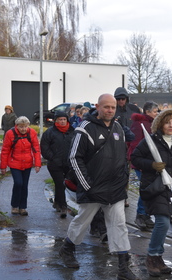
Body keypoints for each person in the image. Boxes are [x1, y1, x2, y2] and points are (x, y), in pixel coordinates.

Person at [59, 94, 138, 280]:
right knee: (83, 221)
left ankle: (123, 268)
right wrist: (87, 185)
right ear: (98, 107)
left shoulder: (119, 128)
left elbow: (122, 158)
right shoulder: (85, 128)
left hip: (116, 190)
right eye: (106, 107)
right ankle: (67, 248)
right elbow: (74, 158)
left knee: (119, 225)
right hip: (92, 188)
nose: (110, 110)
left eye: (112, 107)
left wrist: (123, 182)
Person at [131, 108, 172, 277]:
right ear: (160, 124)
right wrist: (151, 165)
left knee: (164, 223)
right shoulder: (151, 140)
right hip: (154, 185)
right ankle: (152, 256)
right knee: (163, 222)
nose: (171, 125)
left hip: (169, 186)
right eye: (167, 122)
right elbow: (135, 158)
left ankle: (157, 257)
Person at [0, 116, 41, 216]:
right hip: (15, 162)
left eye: (25, 126)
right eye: (21, 127)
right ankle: (14, 205)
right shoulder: (10, 134)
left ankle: (22, 207)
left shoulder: (32, 133)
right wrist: (3, 166)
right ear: (17, 126)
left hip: (27, 163)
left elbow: (36, 149)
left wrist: (38, 164)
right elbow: (5, 150)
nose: (23, 129)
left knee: (24, 185)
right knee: (18, 183)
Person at [128, 101, 159, 231]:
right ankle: (141, 214)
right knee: (146, 189)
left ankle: (145, 214)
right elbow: (135, 145)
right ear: (147, 112)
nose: (157, 114)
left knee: (150, 189)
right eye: (155, 111)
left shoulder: (152, 124)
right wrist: (138, 162)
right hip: (142, 163)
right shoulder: (140, 124)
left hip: (149, 163)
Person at [40, 111, 74, 218]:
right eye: (60, 119)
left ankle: (57, 202)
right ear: (56, 121)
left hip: (69, 163)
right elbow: (44, 147)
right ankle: (63, 207)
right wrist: (53, 158)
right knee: (60, 183)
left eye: (64, 119)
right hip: (55, 164)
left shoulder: (73, 131)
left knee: (63, 185)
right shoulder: (50, 132)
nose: (63, 122)